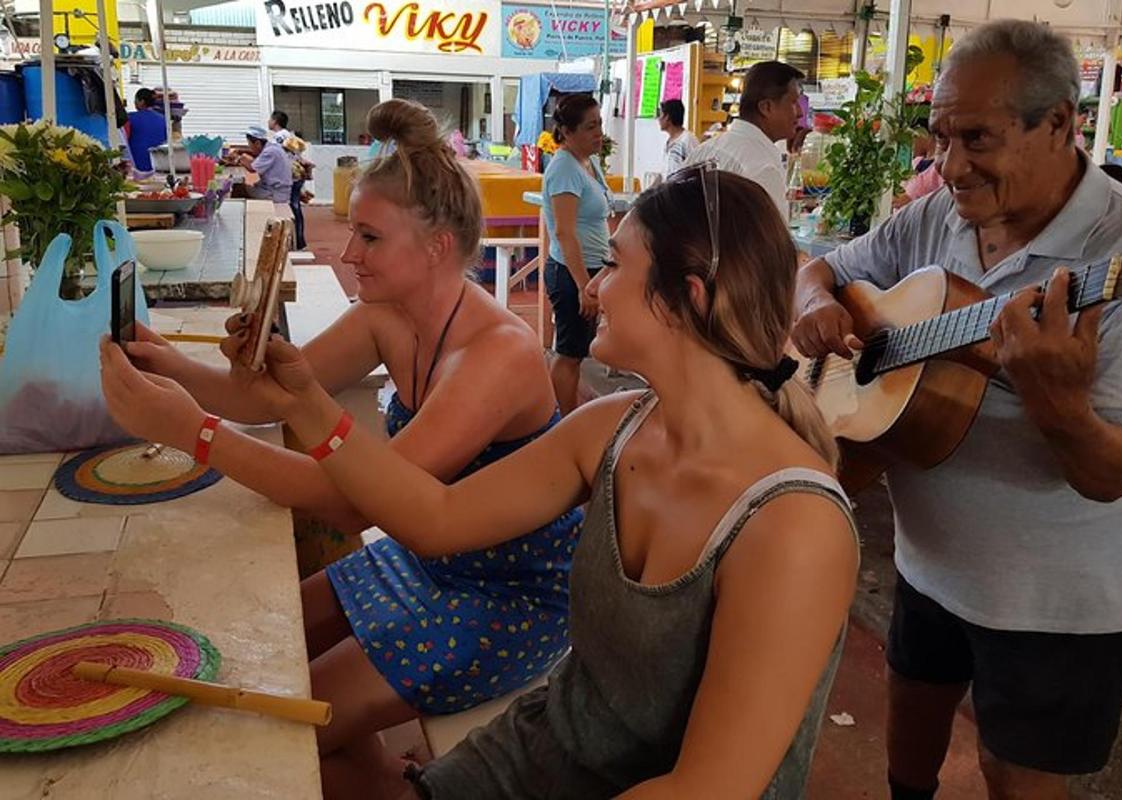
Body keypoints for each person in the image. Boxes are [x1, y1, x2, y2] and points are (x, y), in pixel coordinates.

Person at [104, 165, 858, 798]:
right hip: (550, 750)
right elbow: (434, 518)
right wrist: (301, 402)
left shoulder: (793, 524)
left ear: (686, 297)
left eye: (616, 265)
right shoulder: (617, 425)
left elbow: (705, 791)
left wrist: (201, 431)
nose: (593, 286)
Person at [98, 98, 583, 800]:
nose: (349, 252)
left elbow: (349, 502)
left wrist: (193, 434)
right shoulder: (387, 317)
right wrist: (167, 362)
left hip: (507, 599)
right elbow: (264, 396)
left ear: (437, 246)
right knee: (262, 649)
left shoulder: (499, 355)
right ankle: (387, 775)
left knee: (276, 717)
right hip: (427, 559)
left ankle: (389, 786)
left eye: (369, 237)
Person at [792, 20, 1122, 800]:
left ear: (1062, 124)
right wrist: (812, 303)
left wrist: (1060, 407)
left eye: (977, 137)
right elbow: (827, 267)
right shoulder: (939, 214)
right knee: (910, 730)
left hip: (1058, 594)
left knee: (1016, 778)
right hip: (931, 558)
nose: (950, 165)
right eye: (940, 137)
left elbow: (1116, 476)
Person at [542, 93, 612, 415]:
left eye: (599, 124)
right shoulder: (564, 169)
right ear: (567, 132)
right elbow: (564, 232)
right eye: (589, 127)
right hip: (573, 274)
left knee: (577, 352)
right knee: (568, 355)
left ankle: (567, 412)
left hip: (591, 271)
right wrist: (584, 285)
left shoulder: (589, 161)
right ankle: (564, 425)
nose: (598, 133)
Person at [687, 60, 802, 222]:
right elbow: (770, 245)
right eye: (793, 102)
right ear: (766, 107)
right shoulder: (762, 168)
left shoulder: (704, 150)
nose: (800, 113)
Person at [268, 109, 310, 249]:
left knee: (290, 208)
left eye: (270, 119)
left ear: (275, 121)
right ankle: (300, 241)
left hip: (287, 176)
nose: (268, 122)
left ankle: (294, 242)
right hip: (297, 175)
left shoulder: (276, 138)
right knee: (296, 207)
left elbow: (273, 156)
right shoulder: (291, 136)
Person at [239, 125, 295, 216]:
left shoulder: (269, 151)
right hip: (276, 190)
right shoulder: (272, 148)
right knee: (244, 188)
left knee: (239, 189)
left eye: (249, 144)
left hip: (275, 193)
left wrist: (239, 159)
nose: (249, 147)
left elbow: (252, 169)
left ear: (257, 143)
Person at [892, 117, 943, 210]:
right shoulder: (916, 163)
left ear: (925, 135)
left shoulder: (939, 168)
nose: (910, 143)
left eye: (913, 137)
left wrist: (913, 202)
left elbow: (944, 202)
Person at [125, 87, 167, 173]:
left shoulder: (130, 118)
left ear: (142, 102)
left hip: (138, 165)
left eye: (136, 100)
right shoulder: (163, 119)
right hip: (159, 164)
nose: (134, 103)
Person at [657, 99, 698, 176]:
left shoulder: (688, 139)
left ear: (667, 117)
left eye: (660, 115)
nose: (658, 119)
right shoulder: (669, 142)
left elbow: (696, 168)